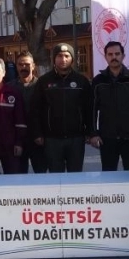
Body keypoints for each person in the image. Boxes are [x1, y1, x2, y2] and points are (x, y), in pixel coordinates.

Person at [30, 43, 92, 173]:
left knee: (75, 177)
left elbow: (88, 108)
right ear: (54, 59)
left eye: (66, 56)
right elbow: (35, 109)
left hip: (76, 138)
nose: (63, 59)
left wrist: (90, 132)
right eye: (59, 56)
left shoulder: (82, 81)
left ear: (72, 59)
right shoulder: (43, 81)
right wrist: (38, 133)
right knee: (56, 177)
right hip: (52, 139)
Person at [90, 41, 129, 171]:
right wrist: (93, 134)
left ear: (123, 56)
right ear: (105, 57)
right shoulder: (98, 81)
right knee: (108, 175)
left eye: (117, 54)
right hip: (107, 138)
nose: (114, 57)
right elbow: (91, 109)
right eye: (110, 54)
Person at [11, 52, 46, 173]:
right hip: (18, 139)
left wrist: (41, 133)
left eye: (27, 64)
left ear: (33, 66)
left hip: (37, 138)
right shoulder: (10, 88)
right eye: (20, 64)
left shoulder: (42, 86)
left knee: (41, 174)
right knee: (19, 175)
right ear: (16, 66)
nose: (23, 67)